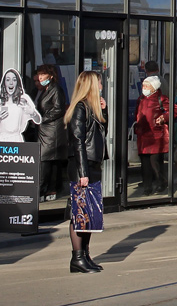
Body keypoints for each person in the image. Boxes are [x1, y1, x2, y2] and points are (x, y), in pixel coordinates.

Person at [64, 70, 107, 274]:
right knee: (79, 213)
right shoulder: (80, 108)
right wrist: (83, 172)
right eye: (98, 83)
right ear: (91, 85)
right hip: (83, 166)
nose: (101, 86)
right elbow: (78, 141)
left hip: (92, 163)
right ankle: (77, 257)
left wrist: (103, 112)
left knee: (89, 214)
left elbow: (98, 134)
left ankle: (86, 255)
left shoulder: (93, 108)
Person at [34, 65, 68, 200]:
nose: (40, 78)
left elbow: (59, 109)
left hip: (52, 132)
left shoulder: (55, 89)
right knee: (49, 161)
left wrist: (41, 119)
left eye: (43, 75)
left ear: (51, 76)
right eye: (39, 75)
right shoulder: (46, 90)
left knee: (45, 160)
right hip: (46, 131)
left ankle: (44, 190)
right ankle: (49, 189)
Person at [133, 75, 170, 195]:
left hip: (156, 137)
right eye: (143, 85)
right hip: (143, 136)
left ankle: (161, 182)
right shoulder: (141, 99)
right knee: (145, 165)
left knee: (155, 163)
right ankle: (147, 186)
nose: (144, 87)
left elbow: (175, 110)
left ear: (153, 87)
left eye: (146, 85)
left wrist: (163, 118)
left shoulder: (161, 98)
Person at [0, 67, 42, 142]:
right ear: (4, 83)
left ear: (18, 83)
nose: (11, 83)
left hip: (16, 140)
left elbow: (38, 120)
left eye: (14, 80)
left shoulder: (24, 98)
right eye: (8, 80)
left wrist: (32, 112)